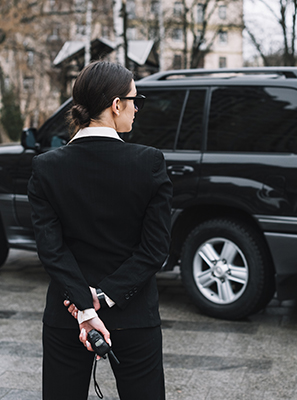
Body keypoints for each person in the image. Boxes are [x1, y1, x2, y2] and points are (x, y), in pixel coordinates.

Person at [27, 60, 172, 400]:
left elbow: (51, 249)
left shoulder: (47, 167)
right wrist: (103, 297)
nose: (138, 107)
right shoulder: (149, 162)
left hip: (68, 315)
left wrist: (84, 305)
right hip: (133, 314)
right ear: (116, 105)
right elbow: (155, 249)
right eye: (136, 99)